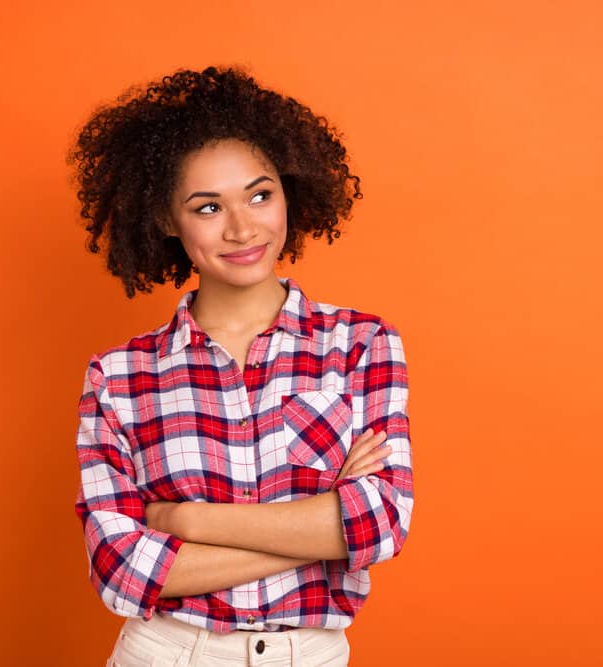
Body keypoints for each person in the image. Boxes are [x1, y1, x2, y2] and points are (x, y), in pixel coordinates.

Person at [67, 66, 414, 667]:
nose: (242, 227)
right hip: (167, 654)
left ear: (289, 190)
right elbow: (121, 570)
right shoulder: (119, 377)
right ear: (165, 221)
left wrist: (187, 520)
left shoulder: (361, 345)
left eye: (260, 194)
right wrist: (322, 532)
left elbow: (380, 523)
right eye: (207, 207)